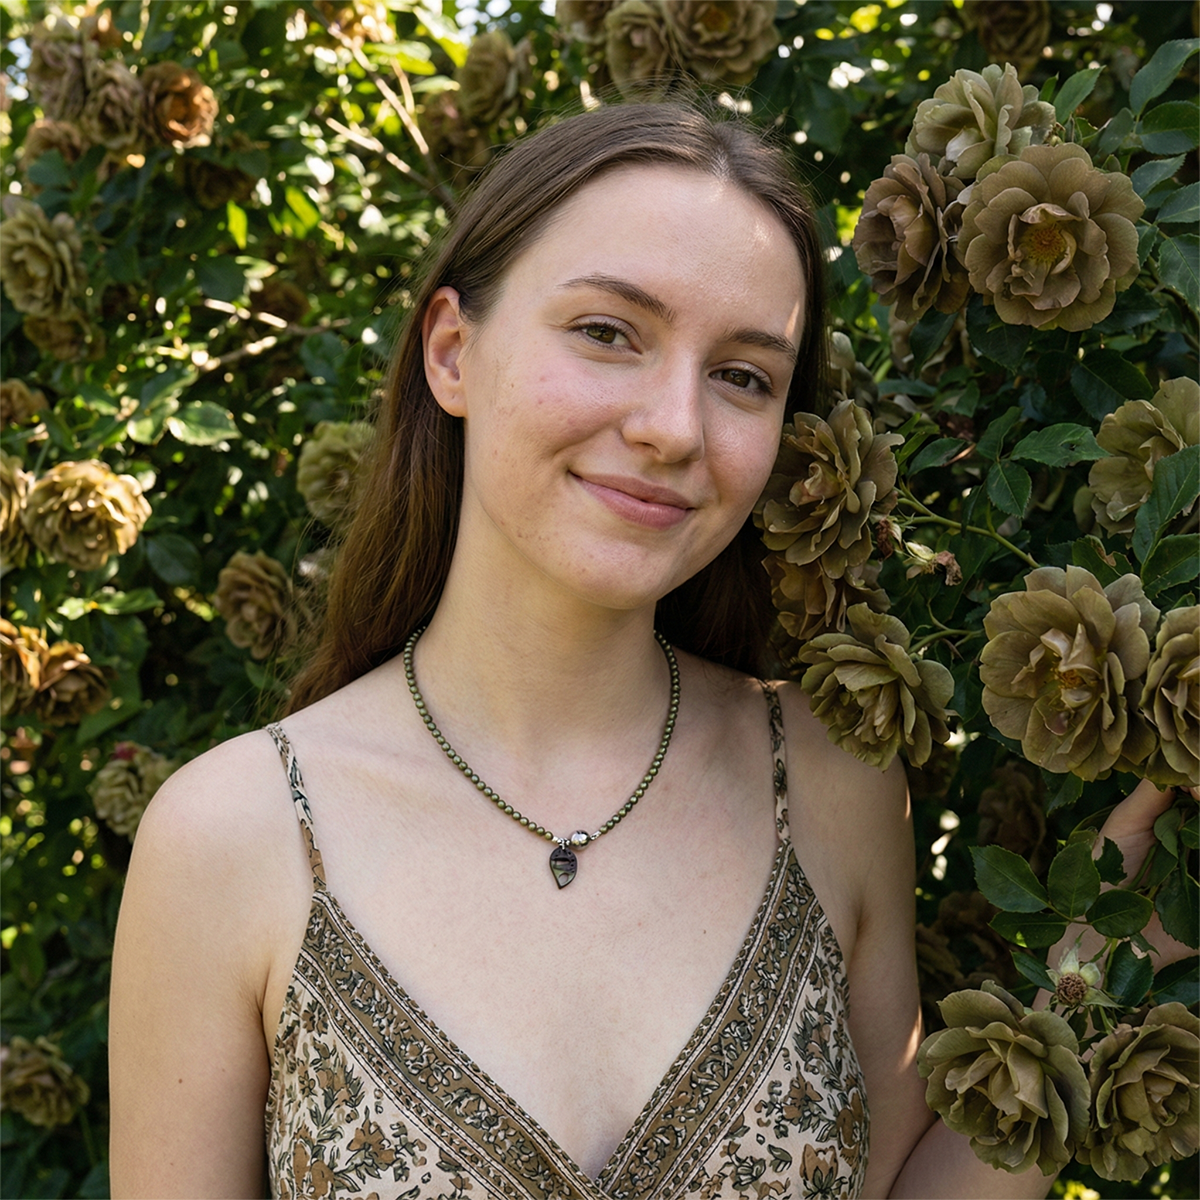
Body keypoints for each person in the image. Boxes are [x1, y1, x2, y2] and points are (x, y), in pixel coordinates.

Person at [108, 100, 1186, 1200]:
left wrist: (1120, 960)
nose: (675, 425)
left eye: (743, 376)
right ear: (451, 354)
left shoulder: (829, 775)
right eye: (608, 332)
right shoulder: (234, 837)